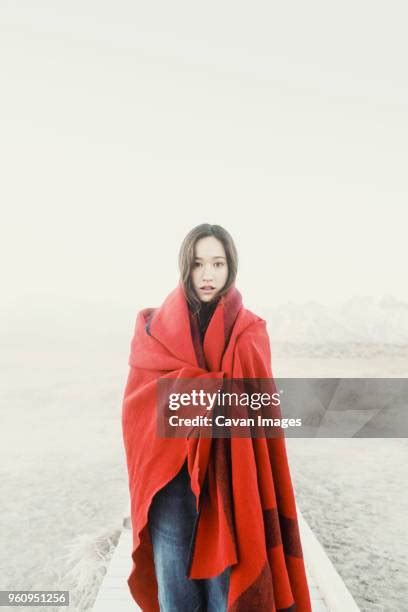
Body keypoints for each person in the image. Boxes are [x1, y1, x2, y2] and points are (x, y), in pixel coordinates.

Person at [122, 223, 312, 612]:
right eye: (197, 264)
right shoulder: (152, 329)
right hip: (171, 483)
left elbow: (259, 412)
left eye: (217, 263)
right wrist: (211, 389)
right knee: (175, 590)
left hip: (229, 478)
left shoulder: (249, 332)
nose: (207, 274)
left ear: (231, 268)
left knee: (224, 592)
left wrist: (194, 392)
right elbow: (138, 408)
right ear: (184, 268)